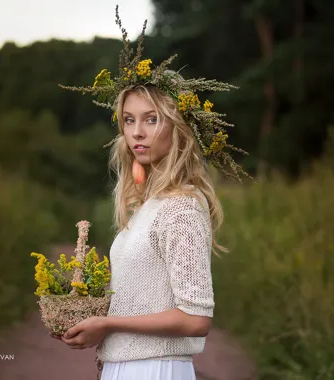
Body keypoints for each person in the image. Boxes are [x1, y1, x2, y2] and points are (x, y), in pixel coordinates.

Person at [51, 7, 251, 380]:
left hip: (155, 371)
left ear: (177, 127)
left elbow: (196, 319)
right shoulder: (148, 205)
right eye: (129, 120)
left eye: (151, 119)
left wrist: (108, 324)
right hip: (125, 368)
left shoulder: (180, 208)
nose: (137, 132)